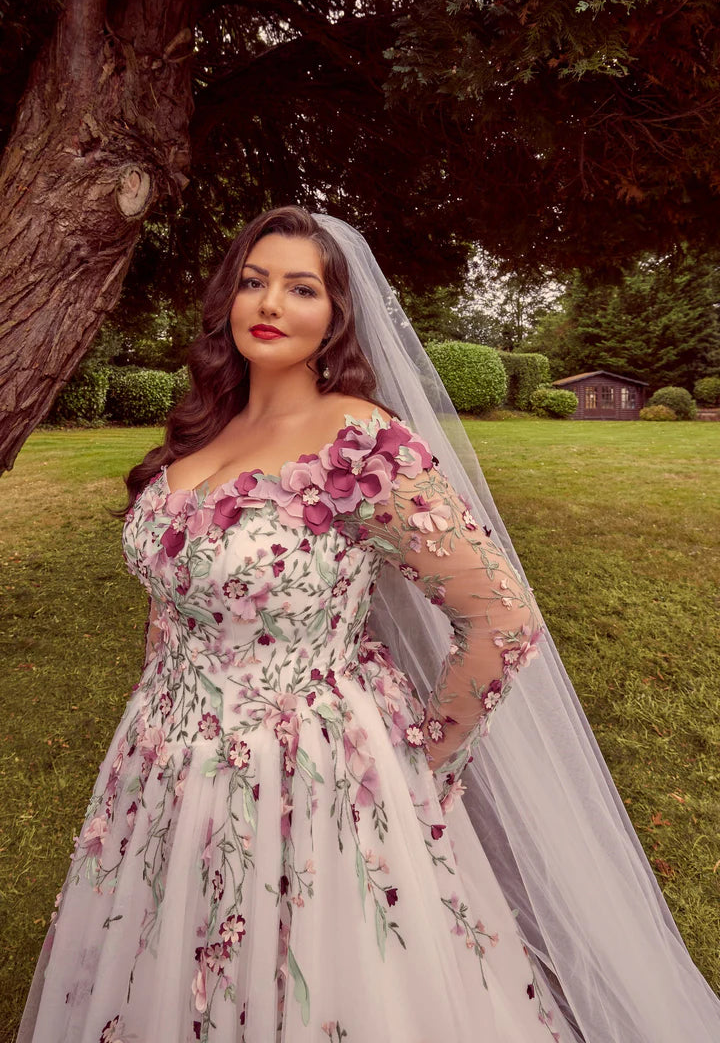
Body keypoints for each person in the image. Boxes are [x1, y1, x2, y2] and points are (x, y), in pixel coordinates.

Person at [17, 207, 720, 1043]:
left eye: (300, 287)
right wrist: (157, 715)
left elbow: (502, 620)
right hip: (159, 764)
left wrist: (429, 764)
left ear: (337, 315)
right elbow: (170, 607)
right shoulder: (203, 431)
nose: (268, 302)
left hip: (308, 775)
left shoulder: (362, 444)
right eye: (252, 280)